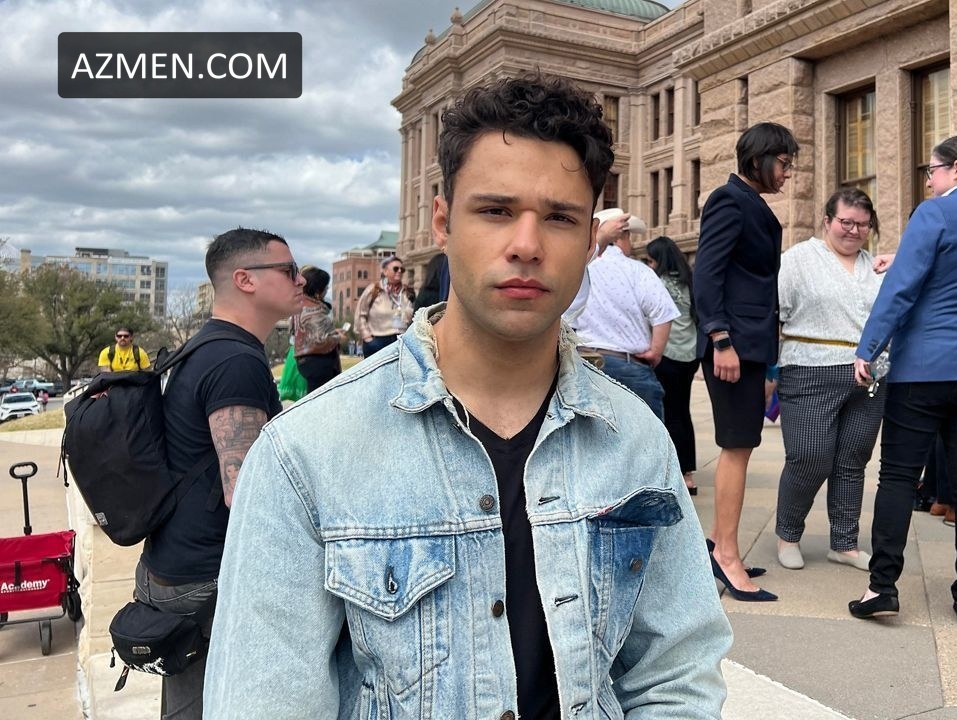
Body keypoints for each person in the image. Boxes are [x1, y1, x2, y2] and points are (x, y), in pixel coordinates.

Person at [205, 73, 731, 719]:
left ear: (589, 239)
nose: (527, 246)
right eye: (496, 211)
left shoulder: (636, 438)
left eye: (560, 218)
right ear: (442, 222)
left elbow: (675, 672)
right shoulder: (304, 453)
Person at [848, 134, 957, 628]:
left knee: (899, 475)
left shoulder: (934, 213)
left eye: (933, 170)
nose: (929, 180)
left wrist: (868, 346)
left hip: (929, 364)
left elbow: (903, 289)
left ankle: (882, 586)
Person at [137, 228, 303, 719]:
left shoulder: (205, 346)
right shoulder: (235, 361)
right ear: (245, 280)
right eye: (289, 270)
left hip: (173, 561)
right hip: (206, 575)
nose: (301, 281)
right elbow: (246, 491)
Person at [693, 121, 798, 603]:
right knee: (736, 446)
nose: (788, 173)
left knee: (743, 445)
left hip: (750, 346)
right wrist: (720, 338)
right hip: (732, 346)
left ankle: (720, 543)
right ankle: (727, 555)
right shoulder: (728, 200)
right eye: (784, 163)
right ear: (759, 160)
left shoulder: (749, 202)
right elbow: (707, 274)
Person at [774, 187, 886, 572]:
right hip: (809, 370)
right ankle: (788, 535)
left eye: (863, 225)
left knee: (852, 460)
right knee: (809, 457)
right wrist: (768, 371)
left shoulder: (876, 267)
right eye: (846, 222)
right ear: (827, 221)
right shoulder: (798, 260)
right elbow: (775, 313)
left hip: (869, 377)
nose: (854, 231)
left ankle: (844, 543)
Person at [574, 208, 678, 418]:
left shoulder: (578, 268)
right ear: (621, 236)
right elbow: (663, 312)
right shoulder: (637, 270)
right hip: (629, 366)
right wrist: (655, 352)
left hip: (583, 363)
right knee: (645, 436)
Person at [645, 235, 700, 495]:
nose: (649, 265)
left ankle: (671, 471)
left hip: (666, 354)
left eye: (651, 260)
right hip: (690, 355)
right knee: (682, 411)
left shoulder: (657, 283)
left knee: (667, 412)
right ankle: (687, 473)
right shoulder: (690, 281)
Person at [292, 266, 345, 395]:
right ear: (318, 291)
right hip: (319, 362)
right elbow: (319, 340)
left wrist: (333, 331)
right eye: (326, 288)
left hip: (306, 361)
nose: (327, 290)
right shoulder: (313, 310)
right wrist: (338, 338)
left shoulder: (299, 305)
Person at [355, 255, 415, 355]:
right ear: (385, 271)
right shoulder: (373, 290)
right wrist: (367, 337)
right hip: (377, 340)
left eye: (402, 269)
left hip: (401, 340)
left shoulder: (408, 292)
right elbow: (361, 314)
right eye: (395, 269)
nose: (399, 271)